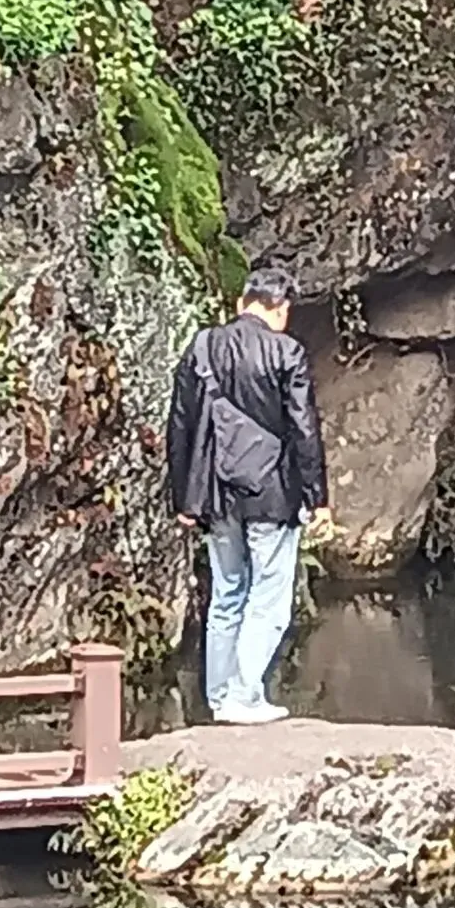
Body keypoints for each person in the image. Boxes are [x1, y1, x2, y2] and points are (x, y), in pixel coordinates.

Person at [166, 265, 330, 724]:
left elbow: (179, 424)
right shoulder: (287, 352)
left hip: (216, 494)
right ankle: (244, 696)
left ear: (242, 303)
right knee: (269, 596)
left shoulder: (202, 345)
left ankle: (220, 698)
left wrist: (183, 499)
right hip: (272, 494)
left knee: (227, 592)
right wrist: (317, 497)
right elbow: (304, 429)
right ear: (281, 310)